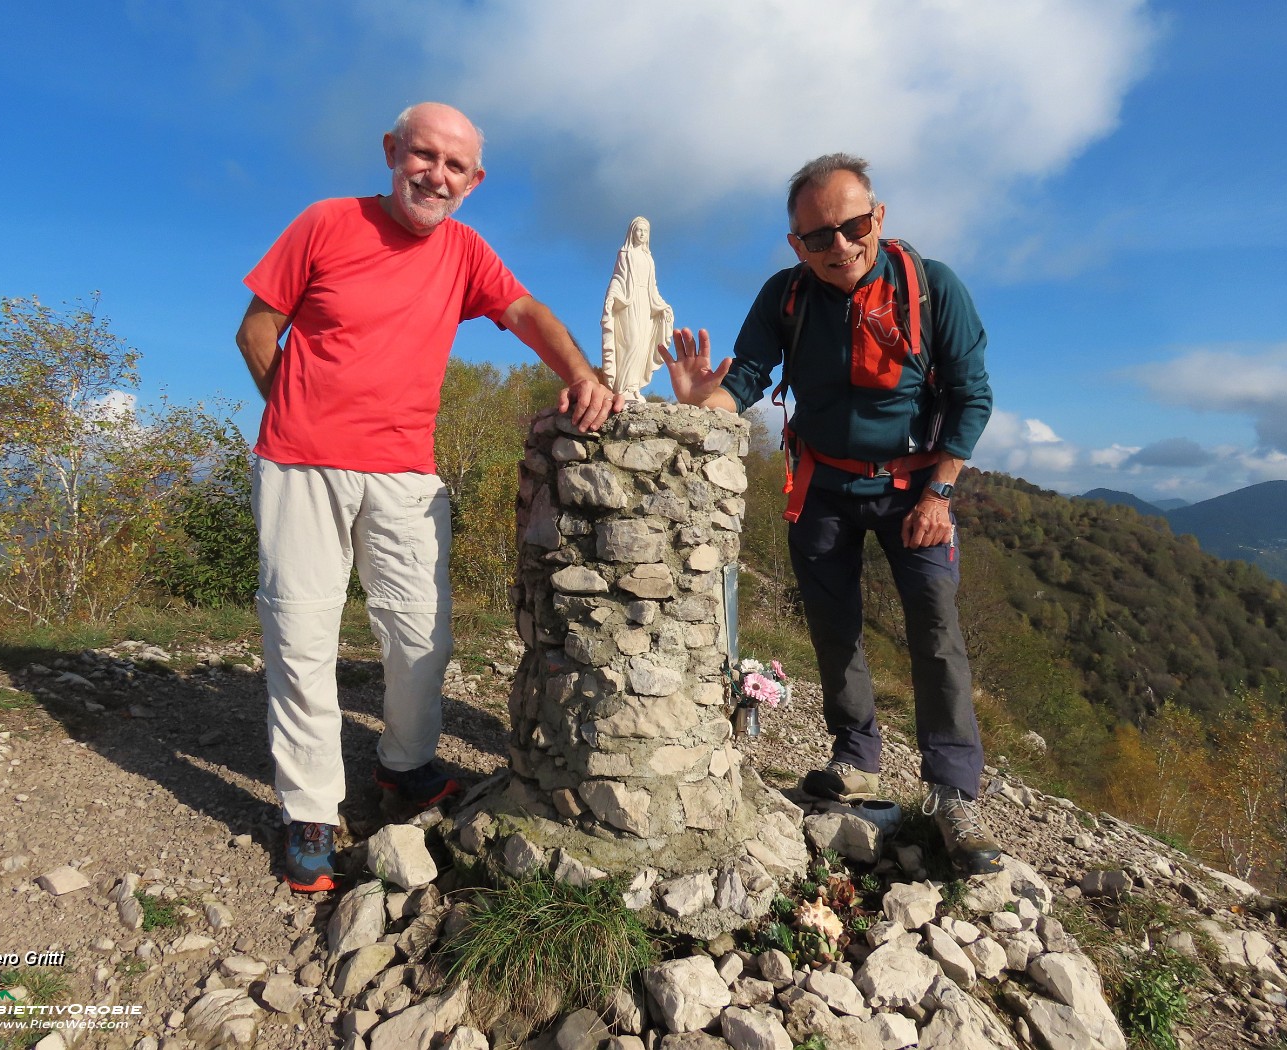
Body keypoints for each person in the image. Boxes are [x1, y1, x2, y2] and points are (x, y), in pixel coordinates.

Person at [236, 102, 621, 892]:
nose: (435, 175)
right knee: (301, 636)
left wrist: (582, 376)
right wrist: (296, 413)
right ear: (391, 151)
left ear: (474, 182)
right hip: (301, 467)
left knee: (422, 635)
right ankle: (310, 809)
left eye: (454, 166)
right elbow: (255, 331)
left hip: (406, 470)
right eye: (423, 155)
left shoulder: (465, 250)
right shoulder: (326, 222)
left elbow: (524, 312)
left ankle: (403, 769)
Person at [658, 153, 1001, 875]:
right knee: (832, 625)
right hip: (820, 484)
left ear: (877, 217)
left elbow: (972, 395)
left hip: (915, 488)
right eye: (818, 238)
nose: (839, 247)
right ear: (796, 246)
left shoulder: (932, 288)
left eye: (852, 227)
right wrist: (702, 407)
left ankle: (952, 795)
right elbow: (746, 378)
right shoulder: (787, 296)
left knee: (935, 633)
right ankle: (856, 757)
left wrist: (940, 495)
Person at [600, 216, 674, 400]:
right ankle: (622, 387)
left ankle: (633, 387)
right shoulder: (625, 254)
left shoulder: (649, 258)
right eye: (639, 230)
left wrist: (662, 305)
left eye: (645, 231)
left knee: (642, 344)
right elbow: (617, 278)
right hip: (628, 302)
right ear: (632, 232)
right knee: (630, 342)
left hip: (646, 304)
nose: (641, 234)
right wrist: (611, 296)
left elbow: (653, 286)